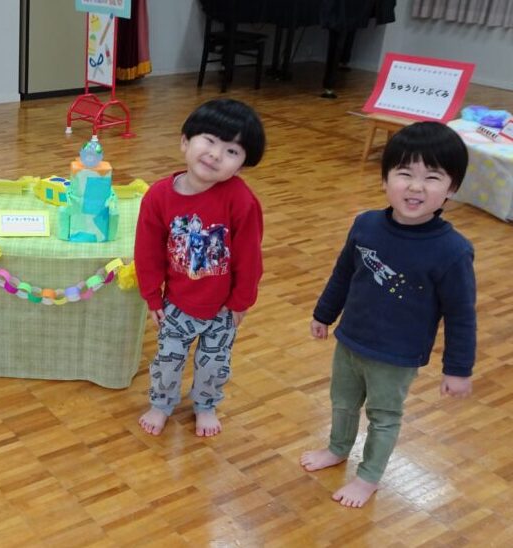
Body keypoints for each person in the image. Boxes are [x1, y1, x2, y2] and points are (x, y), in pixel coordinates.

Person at [300, 121, 476, 508]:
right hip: (350, 341)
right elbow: (344, 272)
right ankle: (337, 448)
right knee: (342, 403)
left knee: (383, 417)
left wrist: (458, 369)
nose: (416, 187)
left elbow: (461, 316)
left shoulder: (453, 251)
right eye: (404, 173)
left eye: (432, 177)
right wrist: (324, 313)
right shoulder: (365, 225)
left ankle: (368, 477)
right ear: (385, 179)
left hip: (397, 358)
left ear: (452, 188)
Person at [135, 98, 266, 437]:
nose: (216, 154)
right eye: (209, 140)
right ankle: (161, 403)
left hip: (222, 308)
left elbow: (250, 257)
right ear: (185, 141)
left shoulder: (241, 201)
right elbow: (147, 252)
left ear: (241, 165)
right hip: (176, 304)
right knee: (168, 359)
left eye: (232, 151)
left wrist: (241, 301)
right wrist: (152, 296)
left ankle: (205, 405)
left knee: (215, 363)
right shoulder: (158, 196)